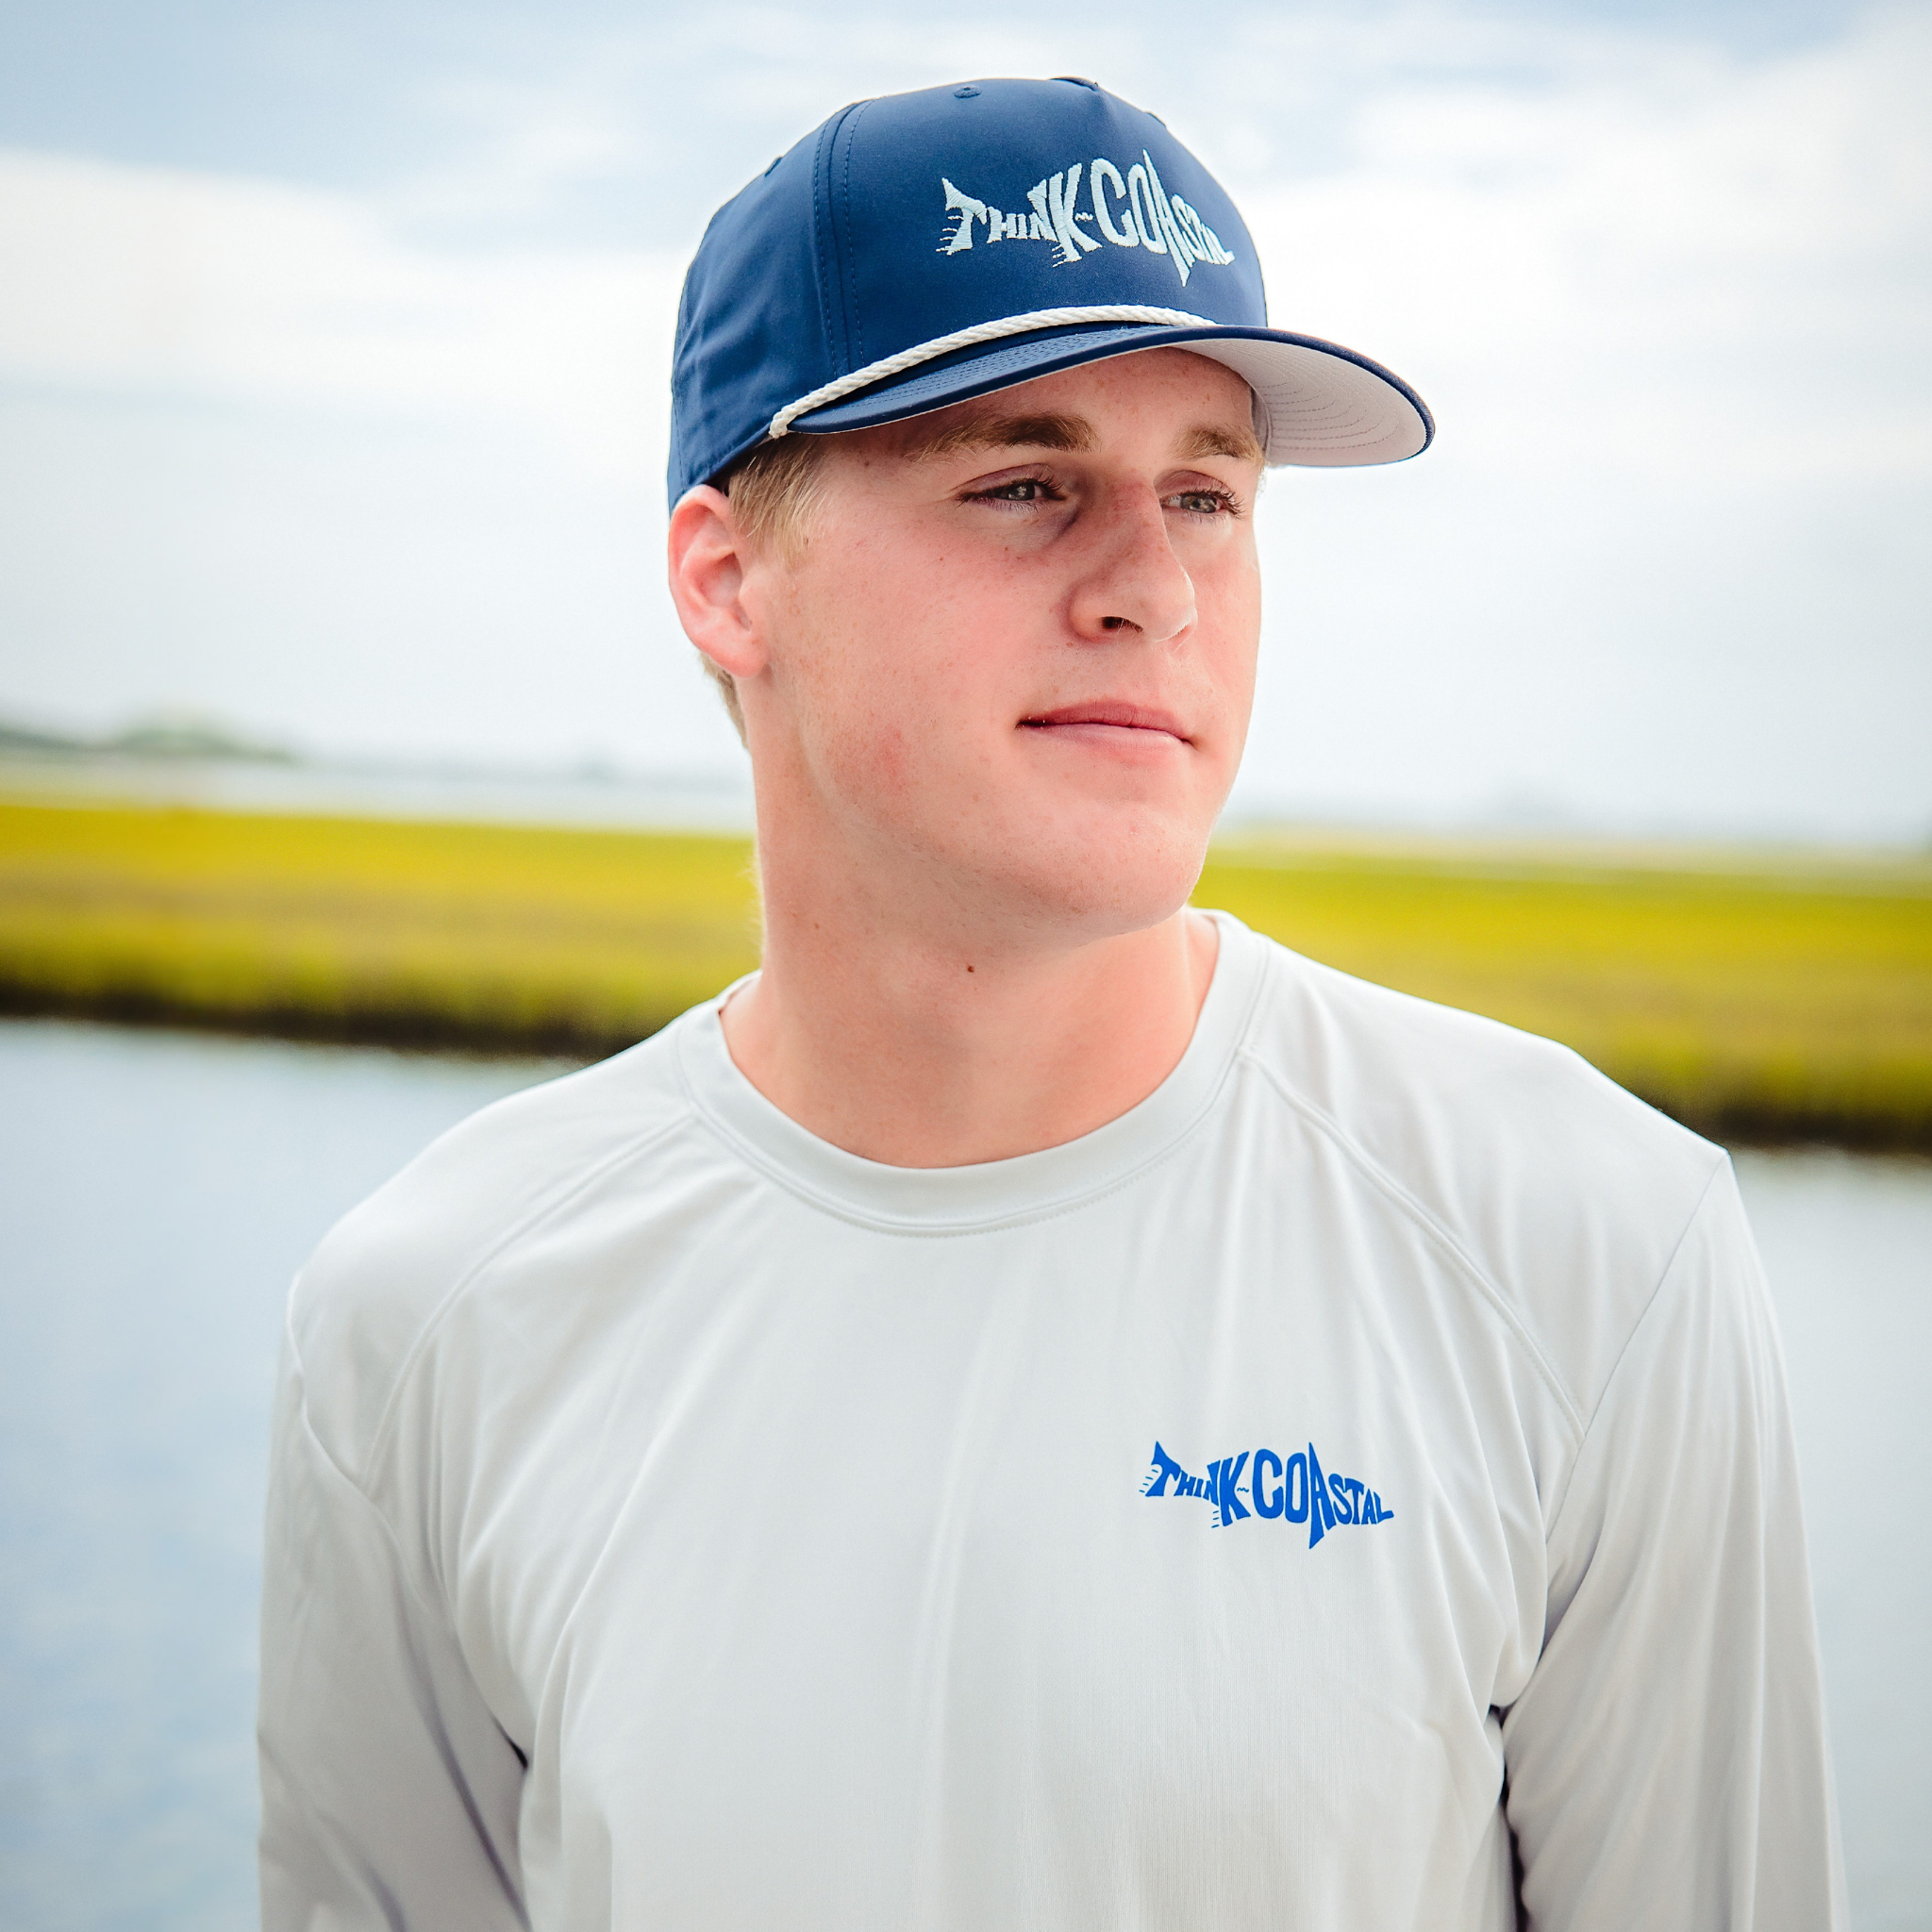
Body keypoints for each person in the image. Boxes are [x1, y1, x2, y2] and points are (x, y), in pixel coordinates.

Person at [257, 76, 1845, 1930]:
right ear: (726, 577)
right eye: (1026, 482)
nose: (1155, 590)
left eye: (1207, 494)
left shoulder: (1589, 1253)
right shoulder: (429, 1319)